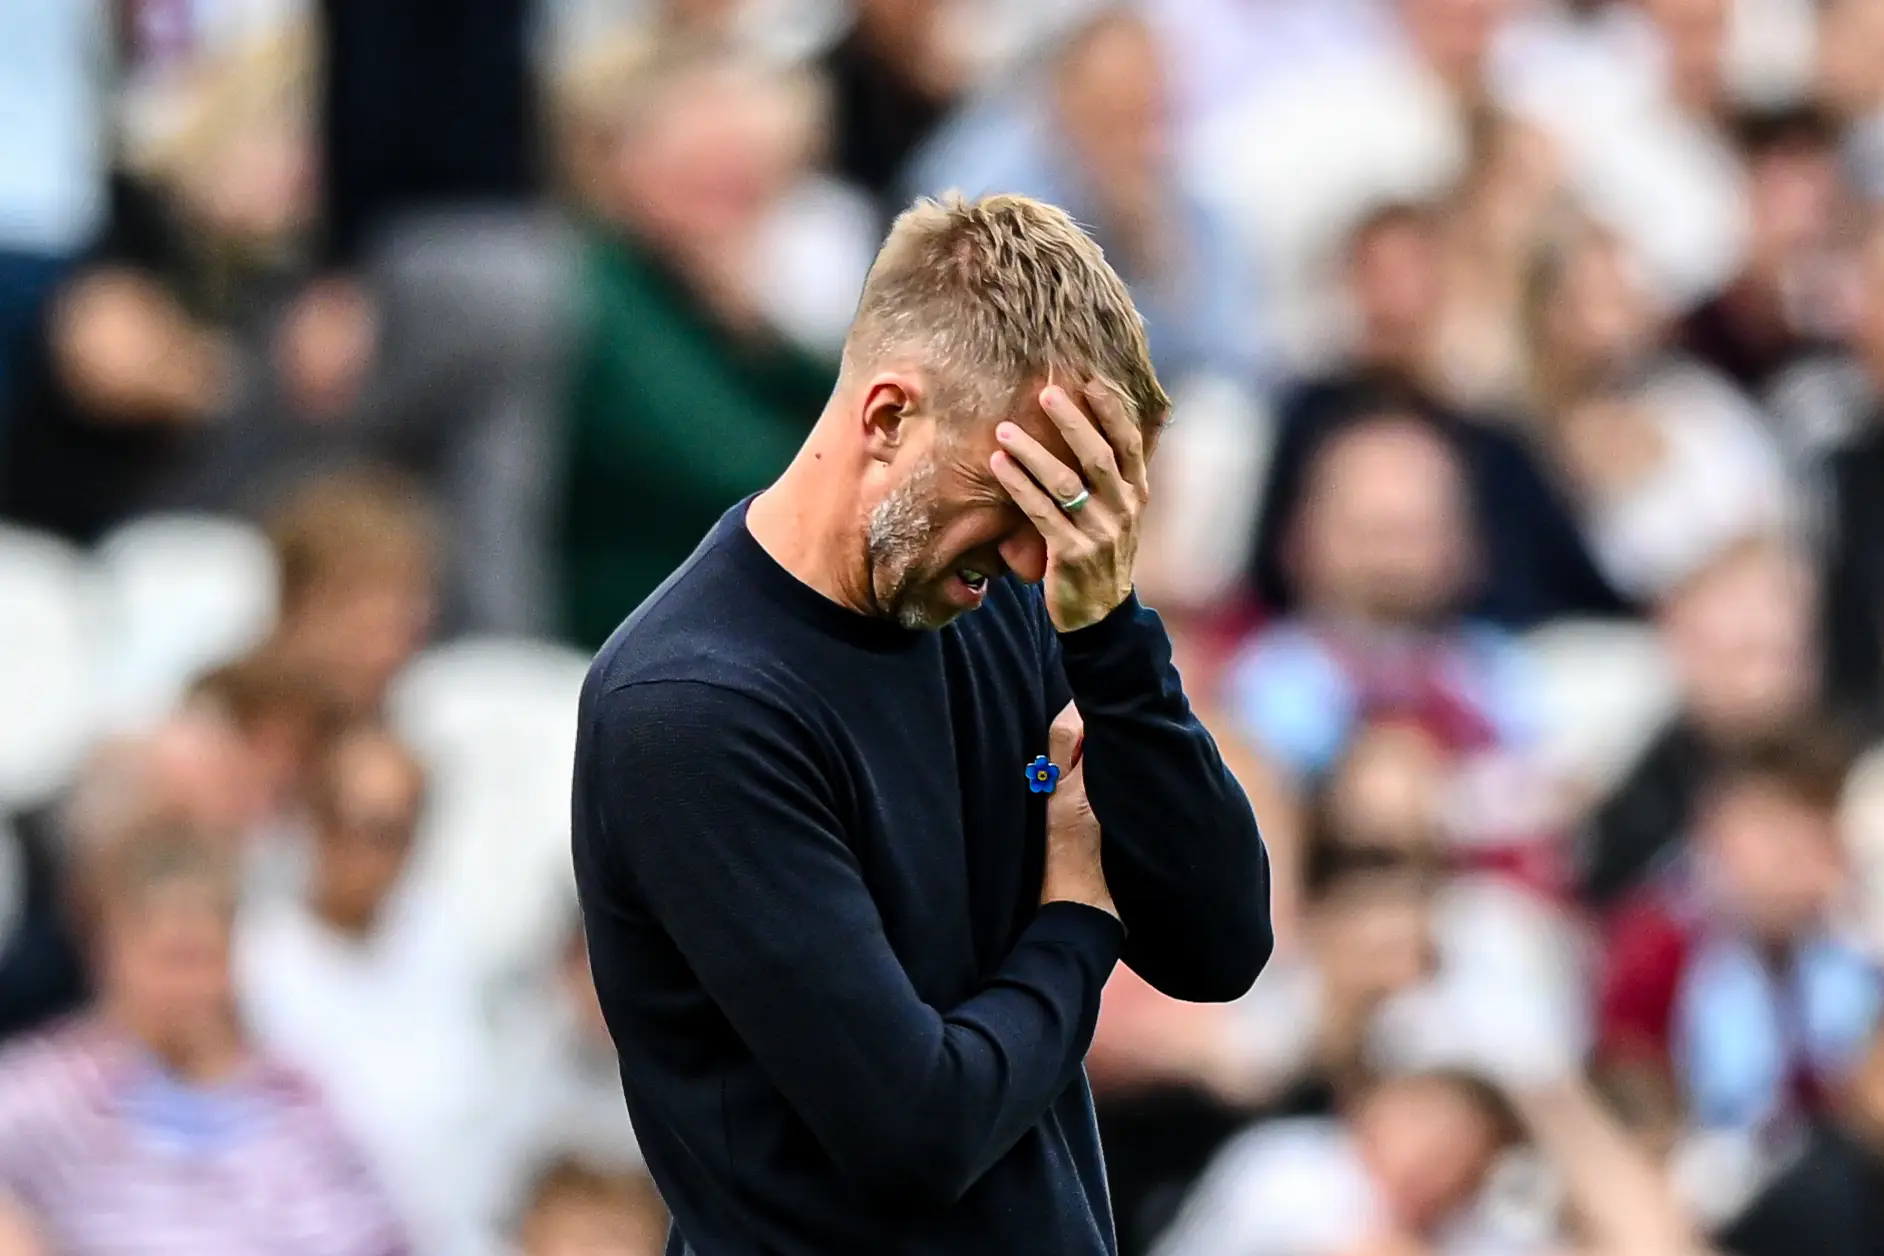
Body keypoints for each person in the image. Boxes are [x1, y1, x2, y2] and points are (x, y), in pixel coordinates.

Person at [570, 192, 1272, 1254]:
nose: (1035, 555)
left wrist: (1112, 635)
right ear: (889, 416)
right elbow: (917, 1131)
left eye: (1070, 509)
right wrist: (1076, 920)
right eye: (1019, 495)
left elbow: (1220, 944)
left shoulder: (1003, 601)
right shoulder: (692, 710)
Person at [0, 824, 407, 1256]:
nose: (192, 987)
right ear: (111, 954)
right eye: (172, 959)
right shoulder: (47, 1094)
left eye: (206, 957)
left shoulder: (296, 1102)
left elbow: (375, 1236)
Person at [239, 724, 508, 1256]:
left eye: (393, 832)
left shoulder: (450, 937)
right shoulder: (256, 962)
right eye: (352, 825)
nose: (369, 853)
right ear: (312, 824)